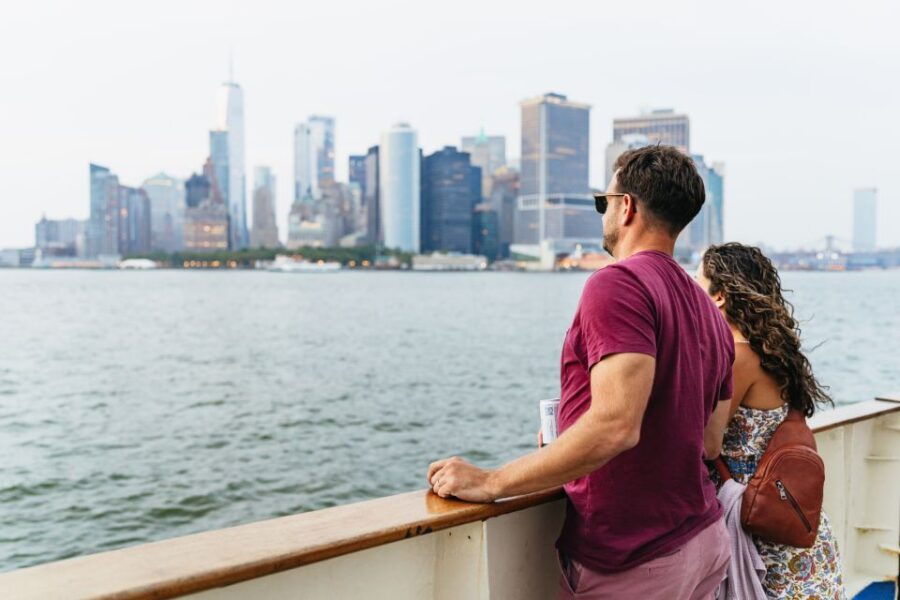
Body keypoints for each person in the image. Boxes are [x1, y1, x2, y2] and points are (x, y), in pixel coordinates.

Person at [427, 145, 735, 599]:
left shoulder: (618, 282)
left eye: (602, 203)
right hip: (702, 539)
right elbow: (708, 440)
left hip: (635, 558)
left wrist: (492, 481)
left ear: (626, 206)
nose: (602, 214)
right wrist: (572, 438)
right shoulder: (710, 313)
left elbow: (615, 426)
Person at [698, 243, 846, 599]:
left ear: (718, 295)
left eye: (697, 280)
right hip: (787, 518)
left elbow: (707, 443)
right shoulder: (772, 350)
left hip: (758, 526)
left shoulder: (738, 355)